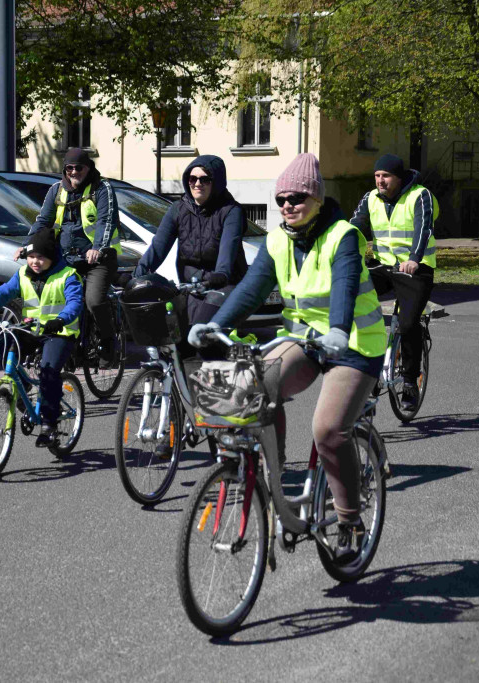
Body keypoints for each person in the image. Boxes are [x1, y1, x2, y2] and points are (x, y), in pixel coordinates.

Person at [188, 153, 385, 565]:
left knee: (328, 429)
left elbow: (346, 285)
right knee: (252, 381)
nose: (287, 206)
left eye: (296, 197)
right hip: (307, 341)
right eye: (280, 199)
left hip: (353, 343)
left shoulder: (343, 236)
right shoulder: (277, 239)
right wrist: (215, 324)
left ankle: (350, 521)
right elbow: (251, 290)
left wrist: (337, 328)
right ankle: (265, 478)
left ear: (315, 198)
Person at [0, 228, 83, 447]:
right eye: (31, 256)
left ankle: (50, 425)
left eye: (41, 257)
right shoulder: (22, 274)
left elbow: (75, 303)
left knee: (49, 372)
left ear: (51, 257)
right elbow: (4, 293)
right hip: (31, 330)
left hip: (59, 332)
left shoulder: (68, 275)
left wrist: (60, 320)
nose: (35, 261)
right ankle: (24, 399)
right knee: (8, 353)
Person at [16, 148, 121, 367]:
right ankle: (65, 346)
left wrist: (98, 247)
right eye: (70, 168)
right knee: (55, 298)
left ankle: (108, 341)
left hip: (99, 259)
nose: (74, 172)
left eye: (79, 168)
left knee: (93, 300)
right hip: (67, 258)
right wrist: (26, 246)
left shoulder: (103, 189)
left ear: (88, 168)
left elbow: (106, 221)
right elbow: (43, 221)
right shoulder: (56, 190)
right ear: (65, 169)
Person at [349, 153, 438, 412]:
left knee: (409, 323)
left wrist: (414, 258)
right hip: (383, 267)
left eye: (385, 176)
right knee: (352, 298)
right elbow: (354, 228)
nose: (380, 181)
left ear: (399, 178)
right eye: (377, 176)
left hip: (415, 269)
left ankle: (410, 382)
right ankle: (367, 366)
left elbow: (424, 228)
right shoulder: (370, 199)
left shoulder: (419, 195)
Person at [132, 154, 248, 329]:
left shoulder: (231, 211)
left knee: (200, 334)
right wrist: (136, 278)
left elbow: (228, 252)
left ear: (216, 182)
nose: (197, 184)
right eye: (192, 179)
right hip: (191, 286)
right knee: (172, 336)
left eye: (205, 179)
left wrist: (221, 275)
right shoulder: (178, 209)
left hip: (223, 286)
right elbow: (158, 247)